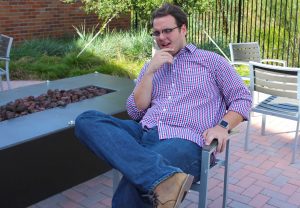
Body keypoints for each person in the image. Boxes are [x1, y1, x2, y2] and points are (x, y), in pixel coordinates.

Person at [74, 3, 252, 208]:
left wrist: (222, 126)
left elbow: (242, 98)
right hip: (143, 131)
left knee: (136, 187)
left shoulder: (212, 62)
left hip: (185, 139)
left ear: (183, 29)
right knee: (86, 120)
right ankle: (165, 179)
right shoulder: (152, 65)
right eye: (157, 33)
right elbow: (134, 111)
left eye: (168, 30)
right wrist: (149, 72)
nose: (161, 37)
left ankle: (158, 179)